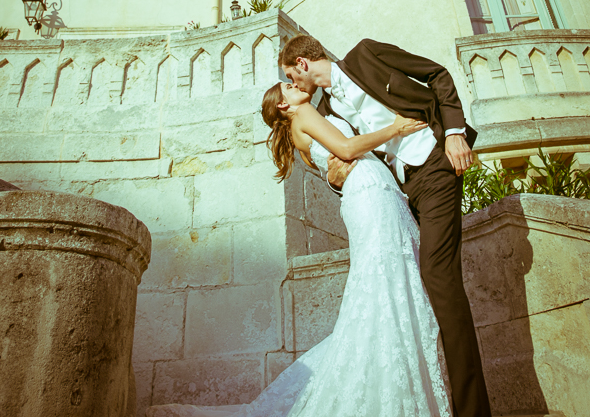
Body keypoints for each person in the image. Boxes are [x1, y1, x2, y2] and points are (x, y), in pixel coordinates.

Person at [155, 80, 453, 417]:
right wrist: (395, 128)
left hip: (369, 194)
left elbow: (336, 172)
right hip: (371, 195)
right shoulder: (304, 114)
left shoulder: (298, 135)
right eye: (288, 85)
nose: (295, 84)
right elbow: (347, 149)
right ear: (284, 105)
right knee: (387, 290)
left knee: (382, 292)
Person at [280, 35, 491, 417]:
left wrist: (455, 133)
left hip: (436, 164)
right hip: (401, 192)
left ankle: (473, 410)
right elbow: (343, 156)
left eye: (291, 76)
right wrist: (336, 176)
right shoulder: (325, 110)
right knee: (418, 290)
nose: (293, 85)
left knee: (439, 280)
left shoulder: (365, 55)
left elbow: (437, 74)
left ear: (302, 63)